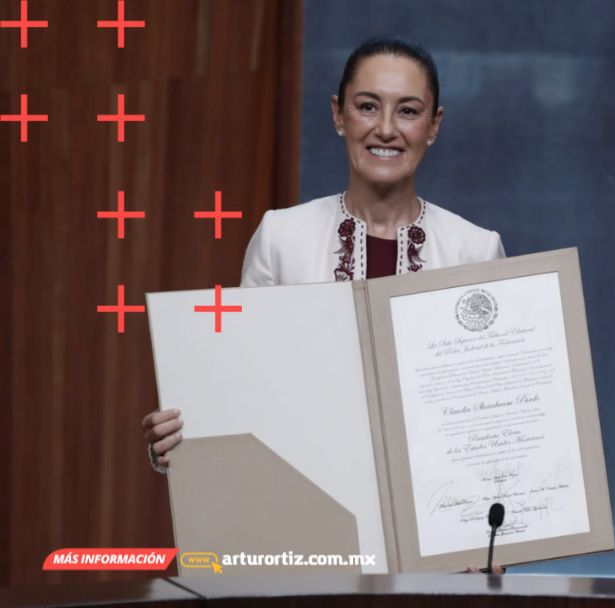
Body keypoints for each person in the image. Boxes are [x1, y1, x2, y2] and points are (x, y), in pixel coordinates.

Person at [143, 35, 504, 470]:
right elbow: (240, 382)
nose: (386, 128)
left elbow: (494, 413)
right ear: (338, 115)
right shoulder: (282, 237)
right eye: (367, 106)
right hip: (309, 505)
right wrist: (182, 442)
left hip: (437, 507)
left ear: (433, 125)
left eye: (408, 110)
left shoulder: (476, 250)